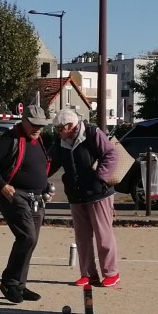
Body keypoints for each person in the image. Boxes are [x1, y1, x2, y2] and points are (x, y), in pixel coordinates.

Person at [0, 104, 52, 304]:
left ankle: (20, 285)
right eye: (34, 125)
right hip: (15, 196)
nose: (38, 129)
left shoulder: (39, 141)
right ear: (24, 121)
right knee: (27, 237)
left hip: (37, 199)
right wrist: (2, 186)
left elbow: (38, 167)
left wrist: (45, 188)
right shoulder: (10, 138)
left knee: (31, 241)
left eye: (42, 125)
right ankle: (9, 283)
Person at [48, 108, 121, 288]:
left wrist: (100, 177)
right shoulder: (61, 143)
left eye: (60, 128)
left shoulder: (92, 133)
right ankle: (88, 274)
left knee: (104, 235)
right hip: (75, 194)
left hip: (99, 193)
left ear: (70, 125)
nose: (58, 132)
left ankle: (111, 273)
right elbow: (50, 163)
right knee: (82, 237)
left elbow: (111, 154)